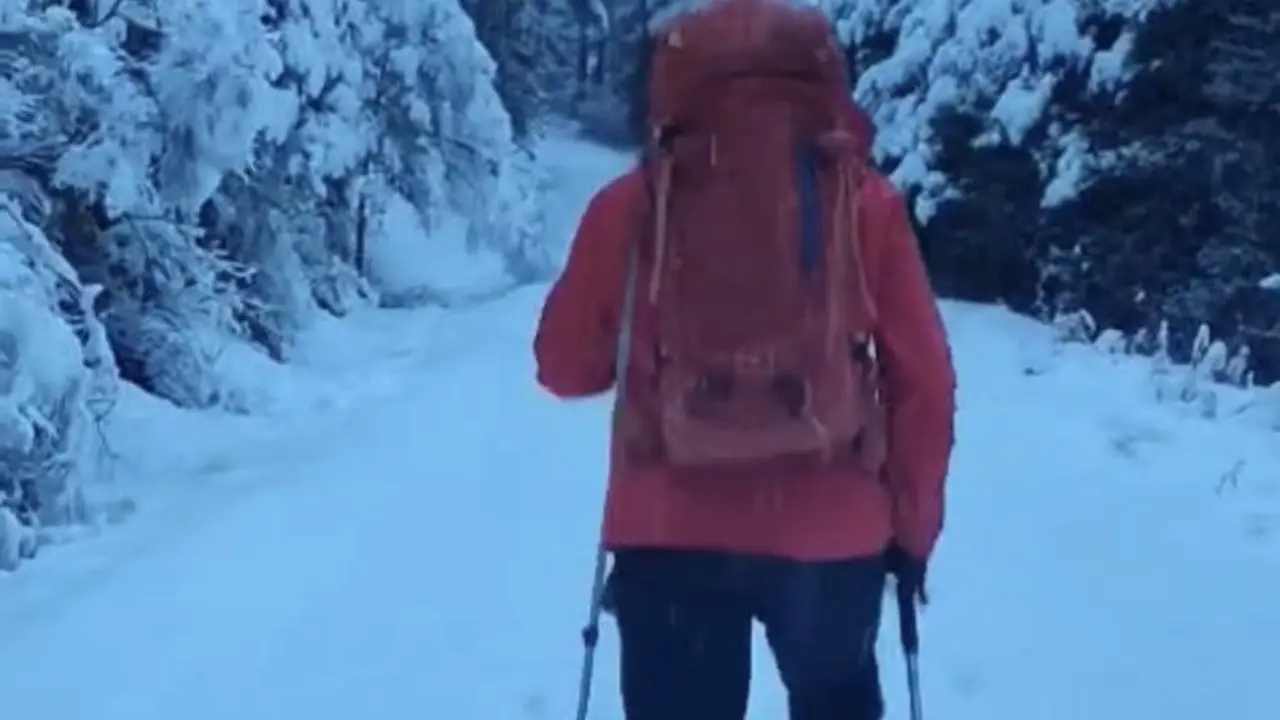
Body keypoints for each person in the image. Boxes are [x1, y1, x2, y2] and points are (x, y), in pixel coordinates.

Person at [534, 1, 956, 718]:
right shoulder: (867, 206)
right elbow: (926, 384)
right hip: (832, 543)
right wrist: (910, 534)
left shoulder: (632, 205)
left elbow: (562, 367)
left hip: (669, 536)